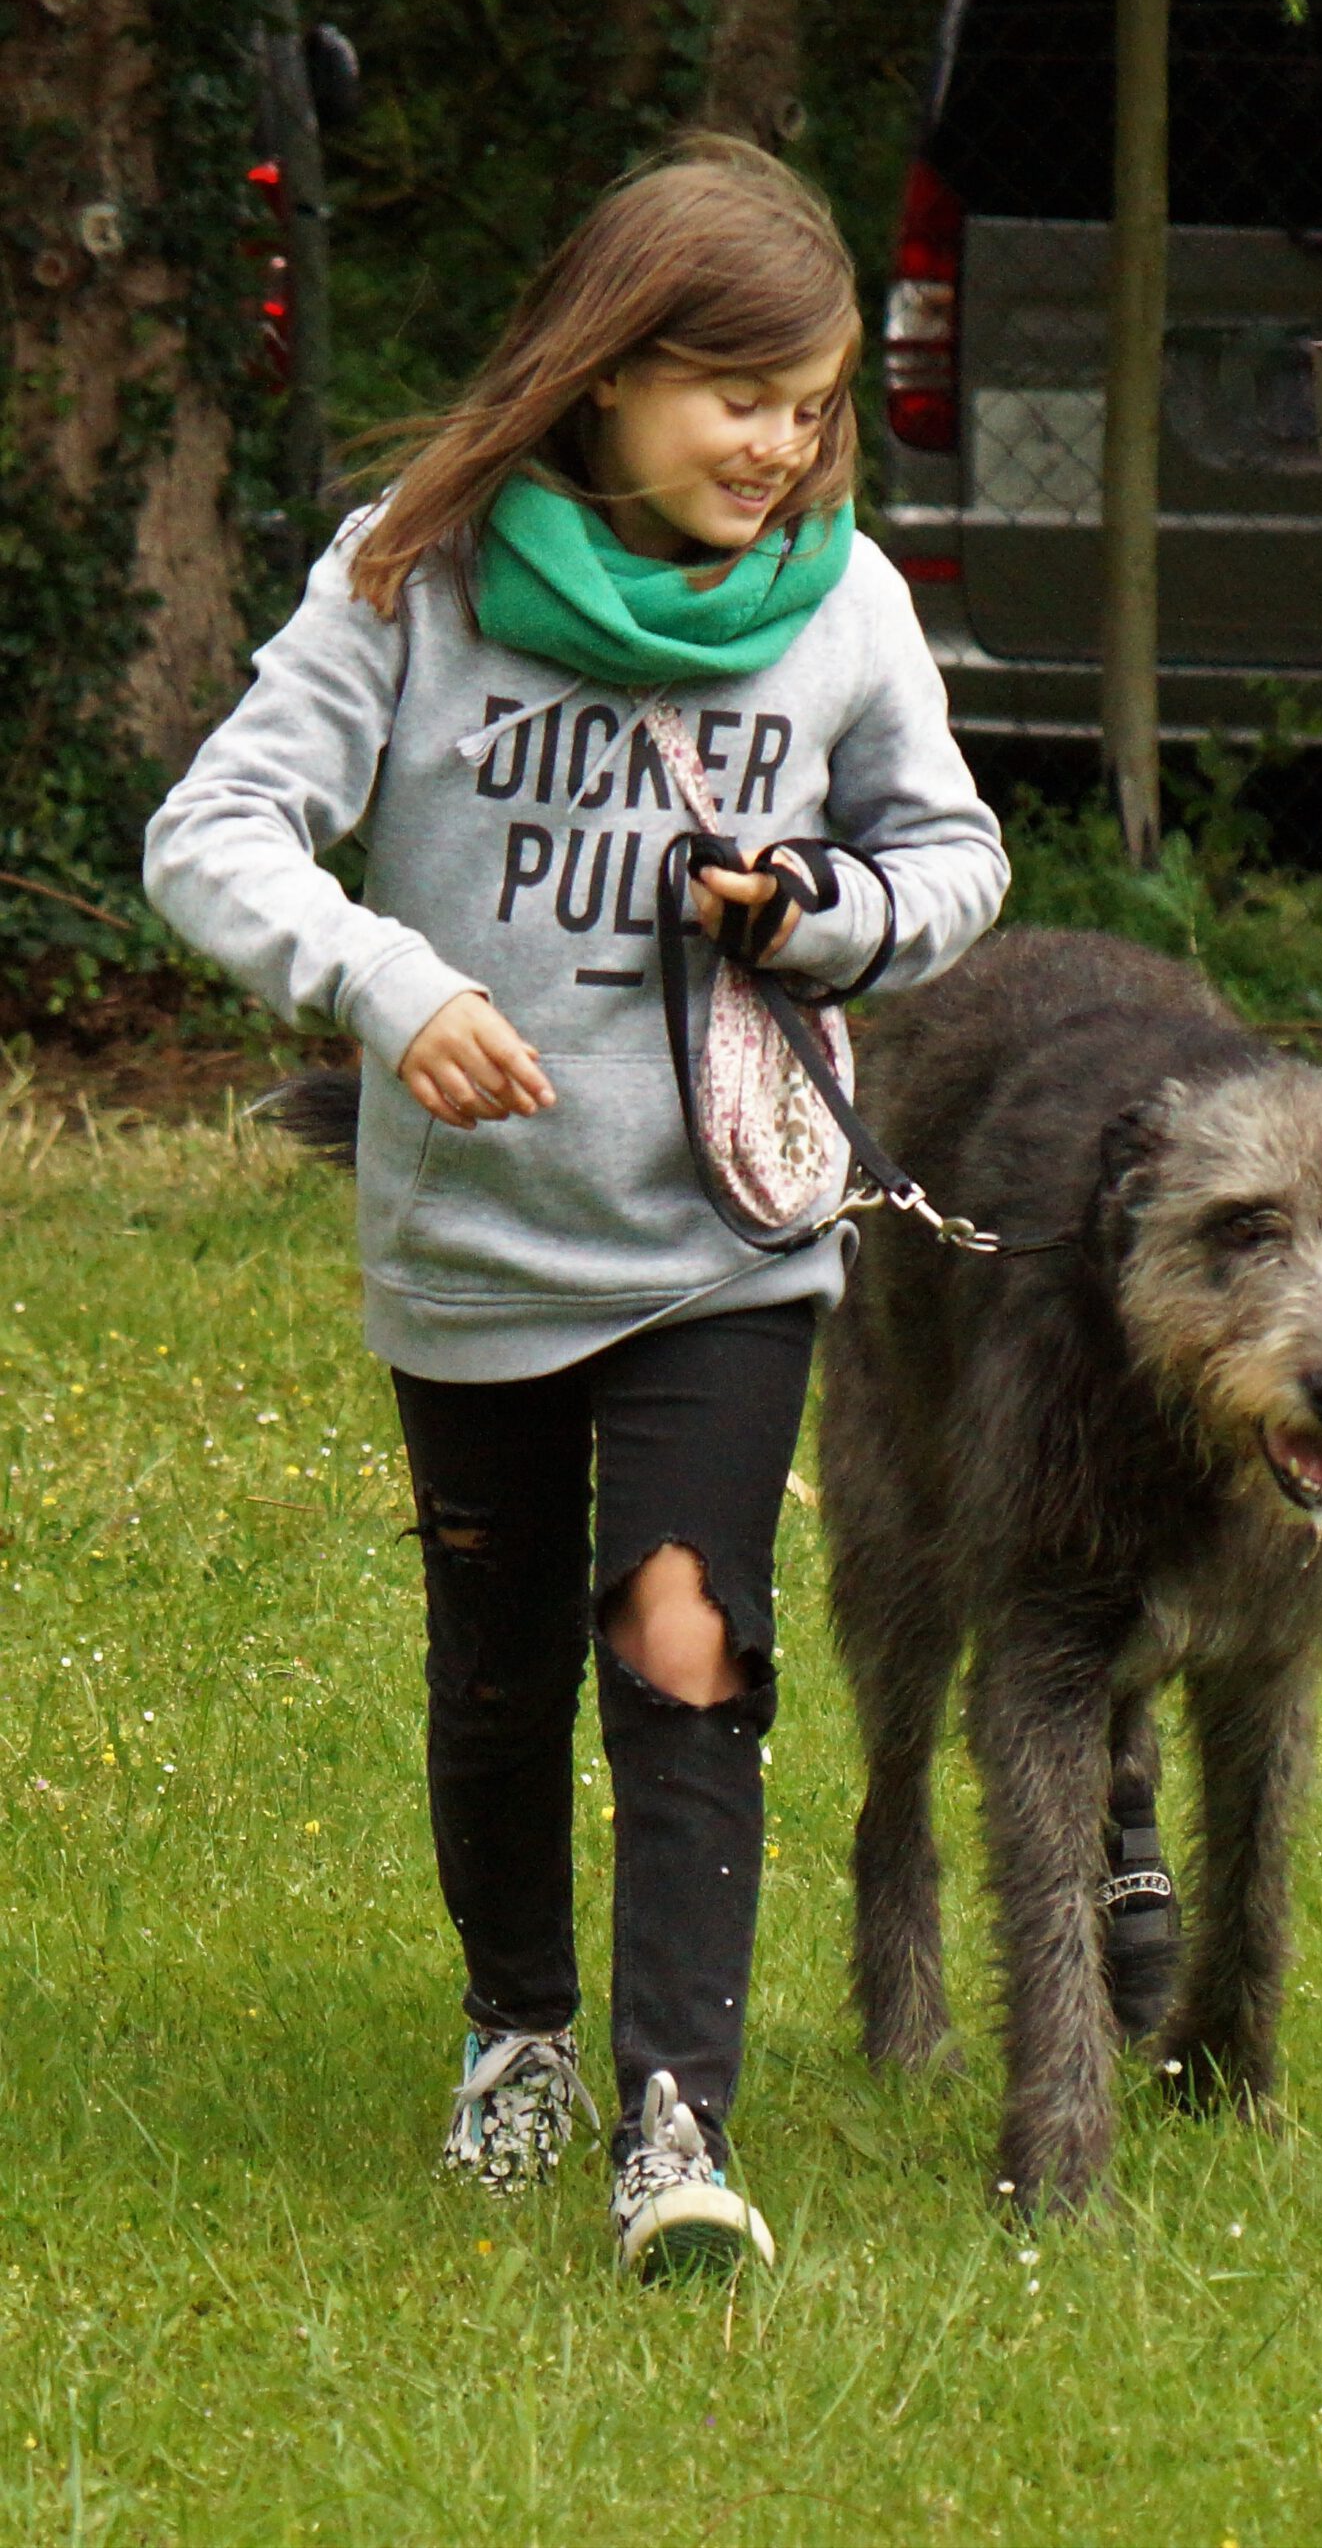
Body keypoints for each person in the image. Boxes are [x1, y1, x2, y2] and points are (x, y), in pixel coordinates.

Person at [143, 134, 1007, 2277]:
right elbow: (210, 829)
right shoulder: (407, 577)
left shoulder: (846, 605)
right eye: (738, 394)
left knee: (685, 1647)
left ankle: (674, 2124)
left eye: (811, 405)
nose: (781, 445)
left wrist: (821, 909)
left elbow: (957, 862)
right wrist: (387, 977)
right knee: (499, 1664)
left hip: (723, 1233)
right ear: (608, 370)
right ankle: (515, 2029)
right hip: (469, 1245)